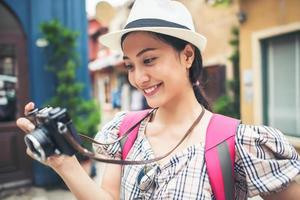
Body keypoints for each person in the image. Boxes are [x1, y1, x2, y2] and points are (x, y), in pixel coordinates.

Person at [16, 0, 300, 199]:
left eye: (149, 60)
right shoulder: (123, 131)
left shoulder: (237, 142)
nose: (138, 78)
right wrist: (63, 163)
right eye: (130, 65)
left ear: (187, 55)